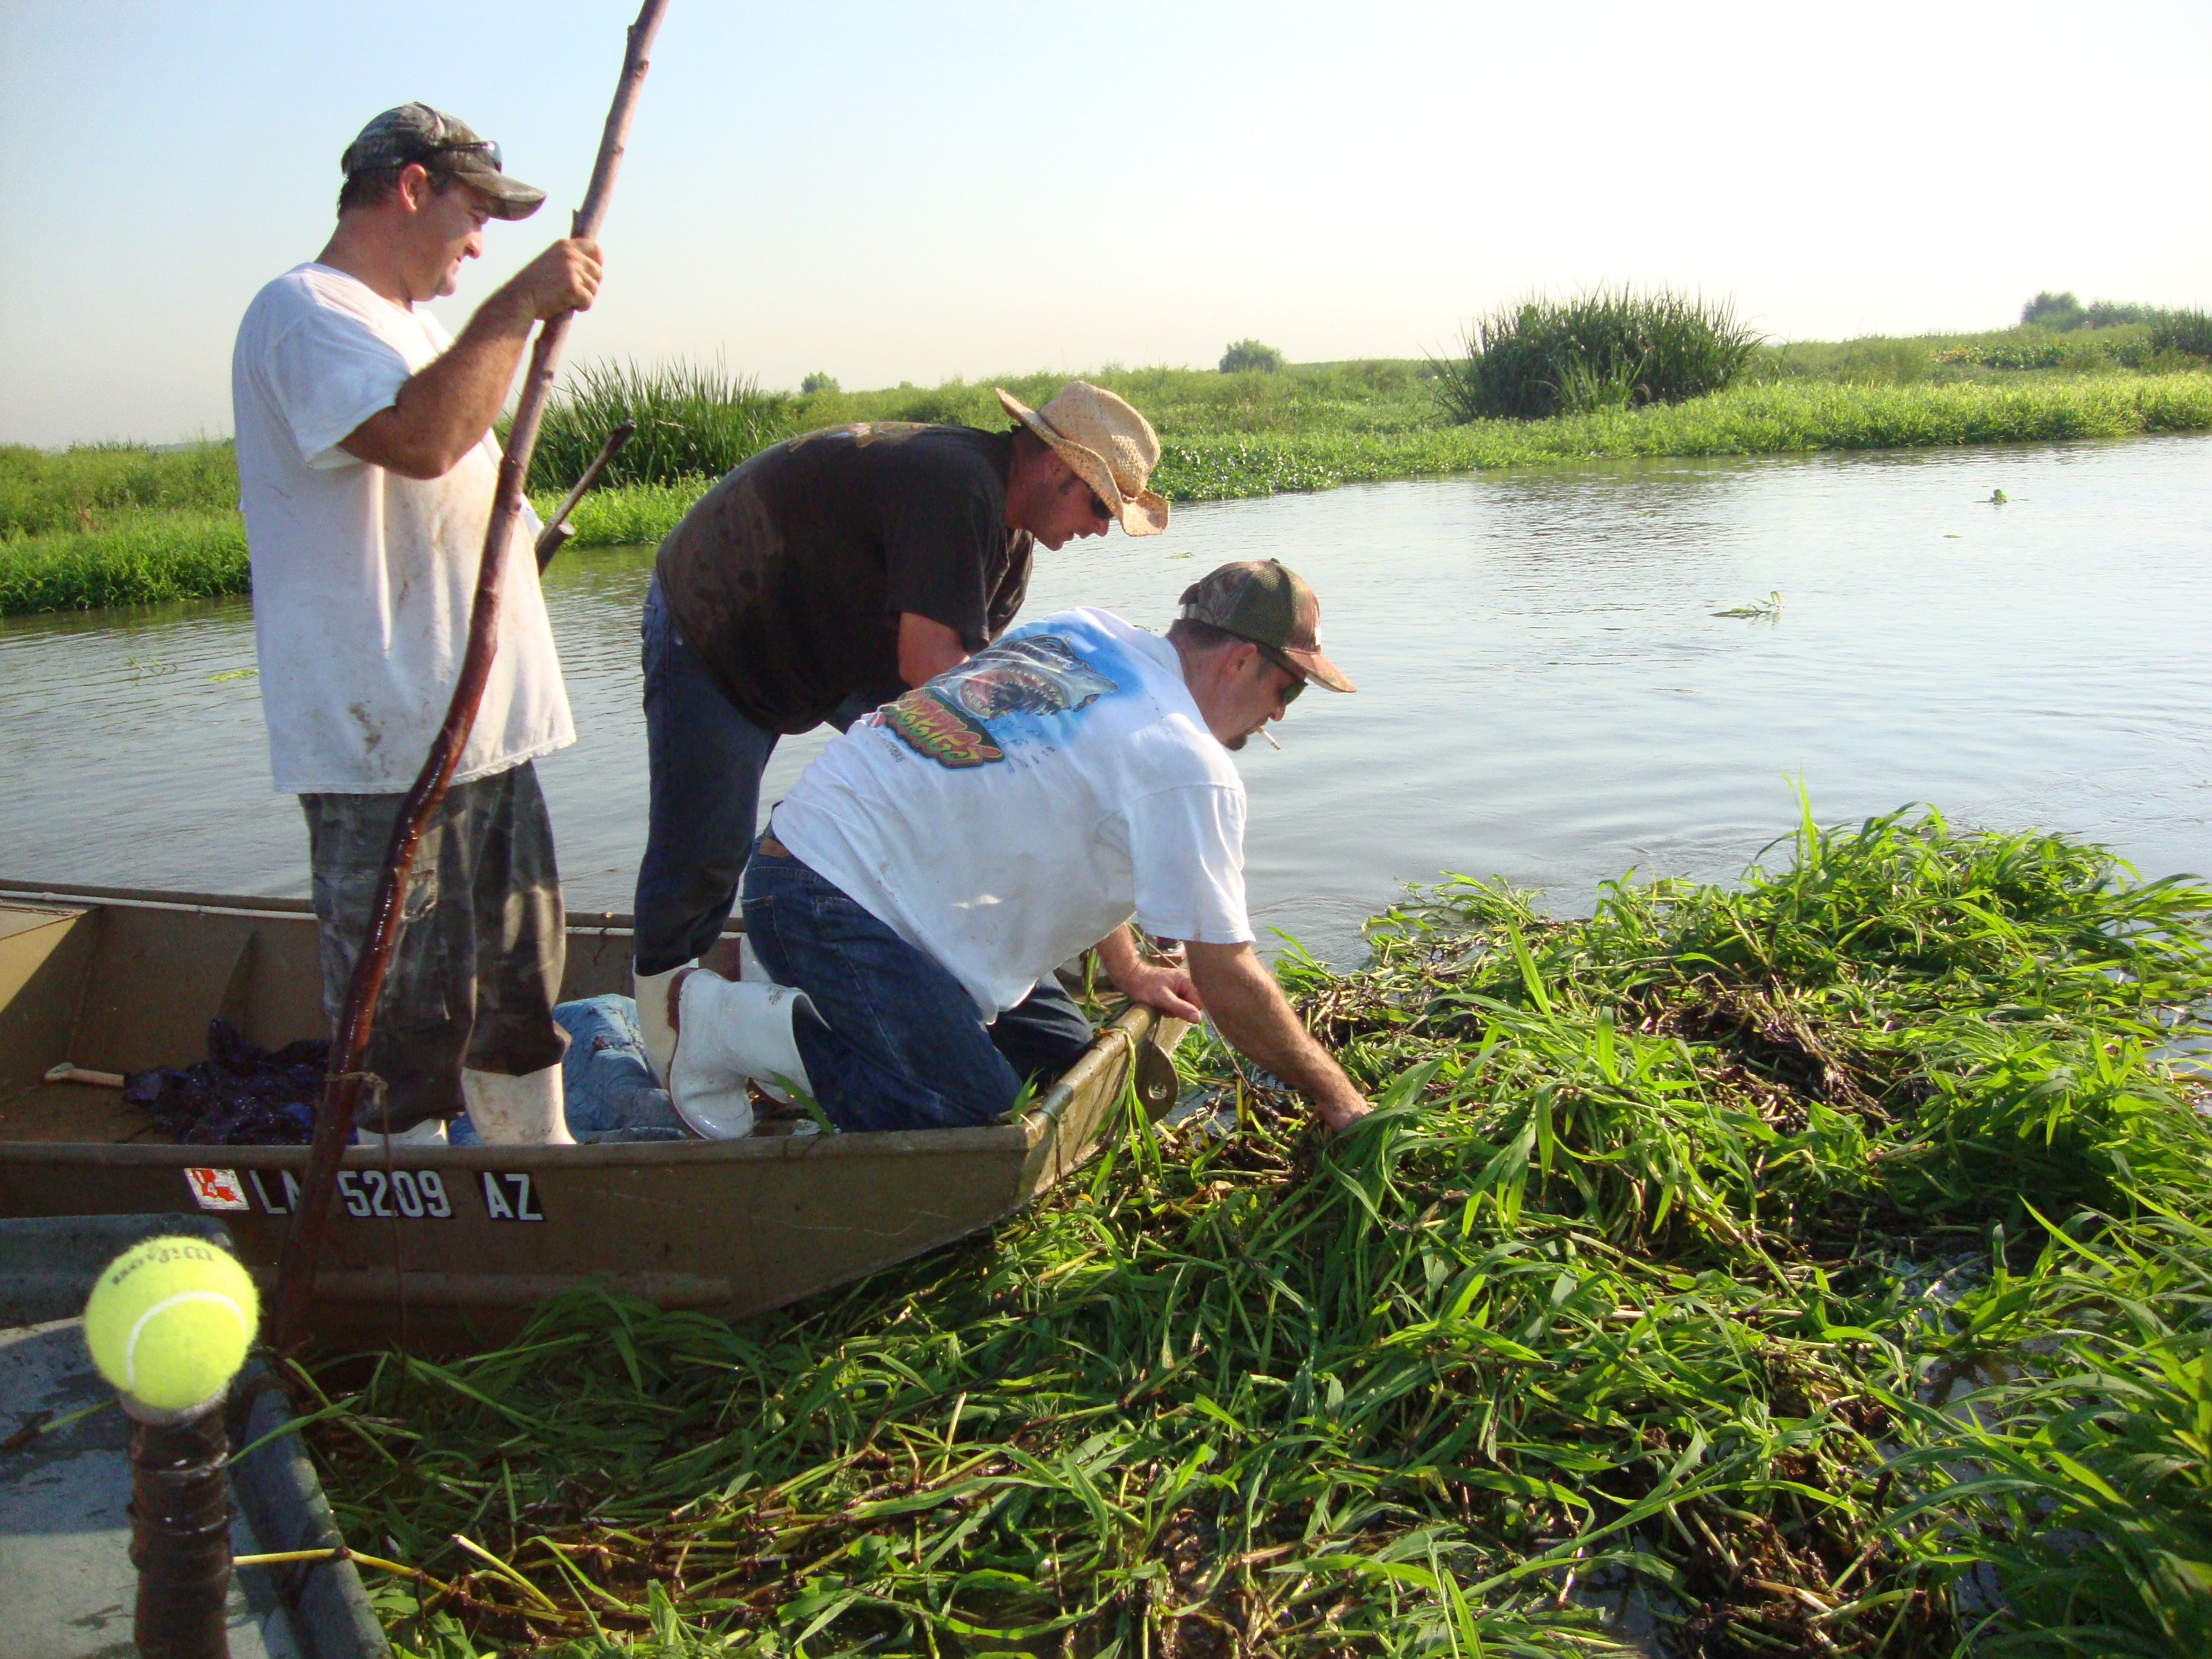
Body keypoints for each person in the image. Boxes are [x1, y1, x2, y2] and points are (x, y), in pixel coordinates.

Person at [662, 559, 1372, 1139]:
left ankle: (771, 969)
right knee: (975, 1120)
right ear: (1241, 661)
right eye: (1288, 689)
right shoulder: (1189, 765)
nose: (1279, 712)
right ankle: (729, 1025)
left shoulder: (1084, 630)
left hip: (802, 857)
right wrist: (1338, 1099)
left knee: (1065, 1065)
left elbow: (1065, 810)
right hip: (830, 899)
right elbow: (1226, 976)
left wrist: (1127, 970)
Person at [231, 103, 603, 1146]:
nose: (482, 242)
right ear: (409, 187)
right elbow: (425, 440)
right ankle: (412, 1224)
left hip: (487, 728)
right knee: (400, 1023)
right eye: (474, 211)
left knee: (518, 997)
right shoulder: (303, 312)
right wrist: (516, 308)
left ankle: (540, 1181)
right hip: (386, 742)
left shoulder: (411, 325)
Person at [630, 382, 1172, 1083]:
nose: (1102, 529)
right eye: (1100, 505)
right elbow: (938, 679)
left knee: (935, 796)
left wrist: (1121, 957)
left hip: (828, 642)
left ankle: (778, 964)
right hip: (719, 621)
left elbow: (977, 734)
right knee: (704, 849)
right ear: (1053, 467)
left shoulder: (1009, 551)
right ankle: (668, 1045)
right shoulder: (956, 488)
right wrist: (1048, 789)